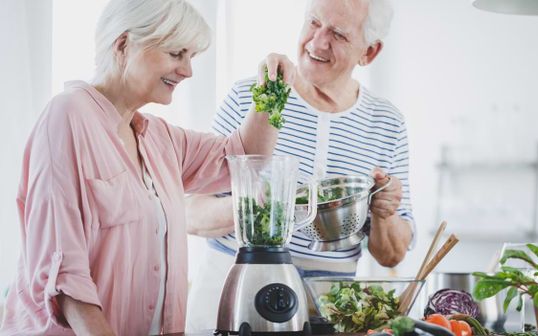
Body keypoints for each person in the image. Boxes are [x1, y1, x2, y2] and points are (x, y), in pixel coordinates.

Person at [0, 0, 278, 335]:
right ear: (123, 44)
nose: (188, 70)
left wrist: (272, 91)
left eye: (191, 57)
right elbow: (65, 274)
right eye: (177, 54)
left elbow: (245, 157)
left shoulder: (159, 139)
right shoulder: (67, 117)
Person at [185, 0, 415, 331]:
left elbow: (392, 254)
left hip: (329, 301)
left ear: (370, 52)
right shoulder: (254, 96)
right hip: (234, 285)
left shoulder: (386, 123)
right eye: (313, 23)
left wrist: (384, 213)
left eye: (337, 34)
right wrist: (262, 206)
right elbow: (190, 212)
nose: (318, 42)